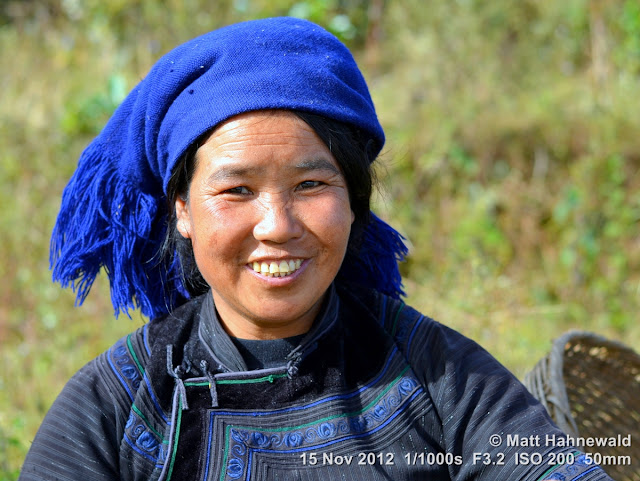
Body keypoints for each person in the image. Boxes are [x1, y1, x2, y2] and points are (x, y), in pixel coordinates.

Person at [20, 17, 614, 481]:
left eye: (310, 185)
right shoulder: (115, 406)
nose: (277, 226)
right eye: (237, 190)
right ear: (182, 210)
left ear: (354, 201)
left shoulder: (439, 374)